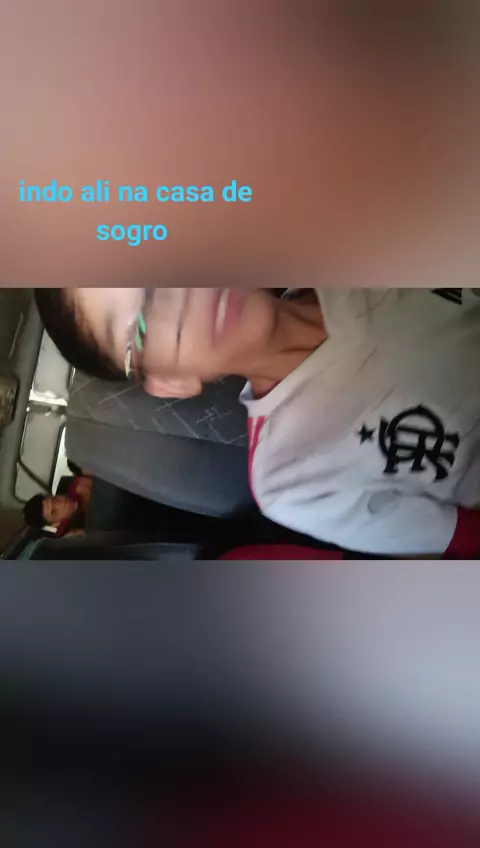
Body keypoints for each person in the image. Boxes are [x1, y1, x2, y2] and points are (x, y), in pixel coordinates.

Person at [34, 287, 480, 557]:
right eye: (140, 326)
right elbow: (461, 538)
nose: (176, 295)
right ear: (172, 381)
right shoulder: (289, 481)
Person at [23, 472, 92, 538]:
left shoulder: (77, 487)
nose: (62, 504)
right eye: (54, 512)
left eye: (55, 500)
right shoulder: (70, 535)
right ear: (55, 524)